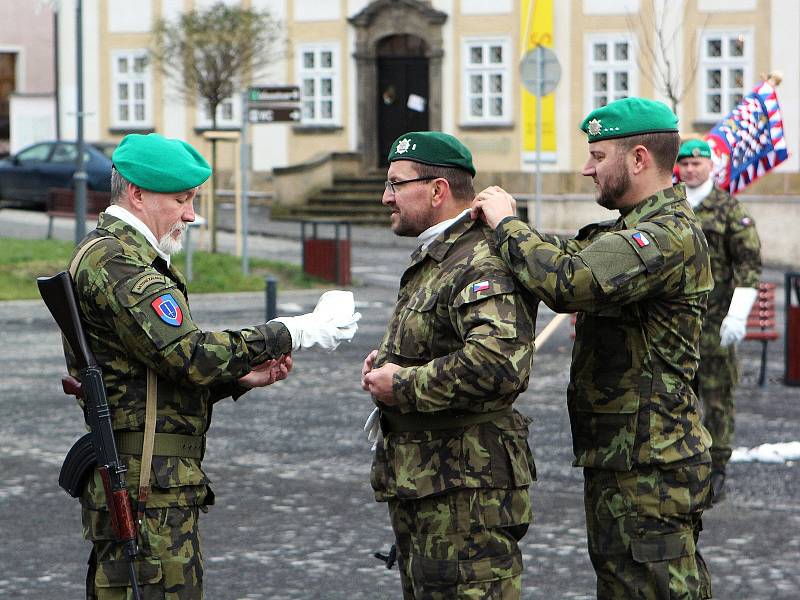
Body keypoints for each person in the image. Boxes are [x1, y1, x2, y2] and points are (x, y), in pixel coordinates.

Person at [65, 132, 360, 599]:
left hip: (153, 480)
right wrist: (293, 330)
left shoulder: (122, 256)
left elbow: (152, 376)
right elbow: (190, 354)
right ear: (138, 194)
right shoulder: (120, 263)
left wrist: (235, 378)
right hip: (146, 487)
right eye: (181, 199)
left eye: (193, 199)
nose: (190, 214)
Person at [472, 98, 715, 599]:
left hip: (652, 463)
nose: (586, 169)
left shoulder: (666, 235)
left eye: (598, 156)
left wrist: (507, 224)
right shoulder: (628, 230)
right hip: (623, 456)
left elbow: (570, 281)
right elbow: (570, 256)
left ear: (639, 158)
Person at [360, 131, 537, 599]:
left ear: (437, 190)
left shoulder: (480, 258)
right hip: (431, 483)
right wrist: (393, 361)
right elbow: (446, 339)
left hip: (467, 492)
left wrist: (404, 384)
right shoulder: (442, 253)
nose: (386, 198)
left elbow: (499, 362)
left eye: (397, 185)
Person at [677, 138, 762, 503]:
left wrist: (738, 314)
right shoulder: (670, 206)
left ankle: (717, 469)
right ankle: (682, 467)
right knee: (675, 400)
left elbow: (749, 264)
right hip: (676, 326)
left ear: (711, 166)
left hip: (715, 325)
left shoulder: (728, 209)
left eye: (698, 164)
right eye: (685, 164)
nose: (691, 169)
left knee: (717, 400)